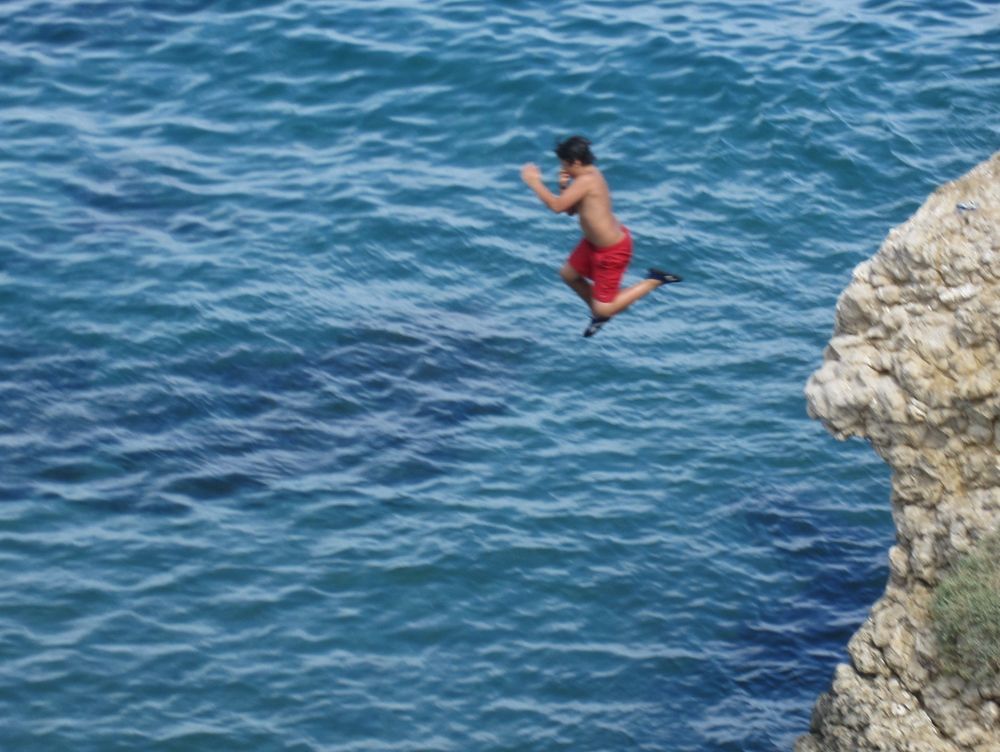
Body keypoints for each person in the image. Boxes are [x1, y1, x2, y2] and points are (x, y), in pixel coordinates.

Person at [521, 136, 681, 337]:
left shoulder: (587, 180)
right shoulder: (584, 177)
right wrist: (563, 187)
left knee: (604, 307)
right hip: (592, 245)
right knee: (568, 275)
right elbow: (569, 210)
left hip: (612, 250)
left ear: (576, 162)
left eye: (564, 164)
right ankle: (600, 314)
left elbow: (556, 206)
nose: (563, 168)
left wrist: (534, 182)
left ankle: (654, 280)